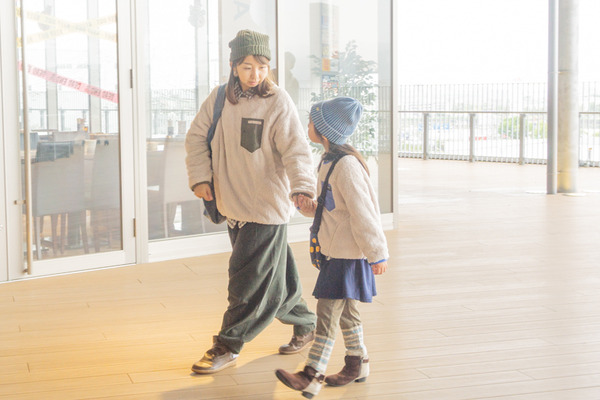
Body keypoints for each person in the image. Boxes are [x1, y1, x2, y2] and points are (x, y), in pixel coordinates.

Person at [185, 29, 317, 374]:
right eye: (247, 66)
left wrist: (303, 188)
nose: (255, 73)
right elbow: (196, 137)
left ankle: (227, 345)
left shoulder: (278, 101)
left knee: (246, 280)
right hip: (232, 204)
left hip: (266, 206)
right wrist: (201, 178)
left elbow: (297, 150)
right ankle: (306, 324)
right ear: (233, 66)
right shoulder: (219, 98)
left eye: (262, 66)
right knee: (274, 276)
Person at [274, 97, 389, 398]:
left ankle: (311, 376)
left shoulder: (346, 166)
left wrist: (377, 253)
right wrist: (309, 207)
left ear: (324, 131)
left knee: (326, 314)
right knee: (347, 311)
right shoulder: (328, 161)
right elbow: (334, 208)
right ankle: (358, 363)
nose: (307, 126)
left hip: (347, 255)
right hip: (335, 251)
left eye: (311, 122)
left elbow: (364, 213)